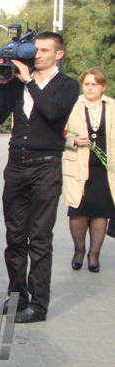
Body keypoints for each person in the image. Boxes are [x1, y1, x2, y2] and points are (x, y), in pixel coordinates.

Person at [0, 32, 80, 323]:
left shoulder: (67, 85)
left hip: (46, 166)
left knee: (40, 238)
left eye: (43, 50)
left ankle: (39, 306)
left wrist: (29, 81)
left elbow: (53, 113)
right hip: (16, 164)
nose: (36, 55)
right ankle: (17, 299)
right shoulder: (16, 83)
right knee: (14, 237)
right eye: (34, 49)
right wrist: (4, 85)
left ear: (59, 54)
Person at [61, 67, 115, 273]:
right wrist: (72, 140)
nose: (90, 87)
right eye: (86, 84)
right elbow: (57, 132)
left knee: (102, 212)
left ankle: (94, 255)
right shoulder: (72, 106)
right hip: (77, 167)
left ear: (103, 87)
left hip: (105, 169)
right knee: (78, 211)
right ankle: (79, 251)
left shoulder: (112, 106)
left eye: (94, 84)